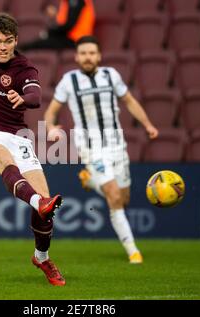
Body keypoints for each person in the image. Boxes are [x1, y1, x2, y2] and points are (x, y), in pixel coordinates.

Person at [0, 13, 65, 286]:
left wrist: (24, 98)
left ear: (16, 41)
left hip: (17, 136)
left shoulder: (25, 68)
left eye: (8, 41)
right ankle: (38, 203)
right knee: (3, 160)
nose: (3, 47)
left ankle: (41, 258)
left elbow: (35, 96)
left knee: (45, 207)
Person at [44, 35, 159, 264]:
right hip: (90, 145)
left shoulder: (111, 75)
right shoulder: (69, 80)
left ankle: (91, 181)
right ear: (77, 57)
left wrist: (147, 124)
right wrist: (50, 128)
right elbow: (51, 111)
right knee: (113, 195)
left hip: (116, 144)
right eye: (83, 53)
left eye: (91, 53)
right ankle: (133, 251)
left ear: (99, 56)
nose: (87, 57)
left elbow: (129, 101)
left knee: (122, 199)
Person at [19, 0, 95, 51]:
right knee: (39, 42)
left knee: (38, 44)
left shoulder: (76, 1)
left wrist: (50, 32)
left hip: (76, 40)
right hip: (68, 37)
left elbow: (69, 25)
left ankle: (21, 49)